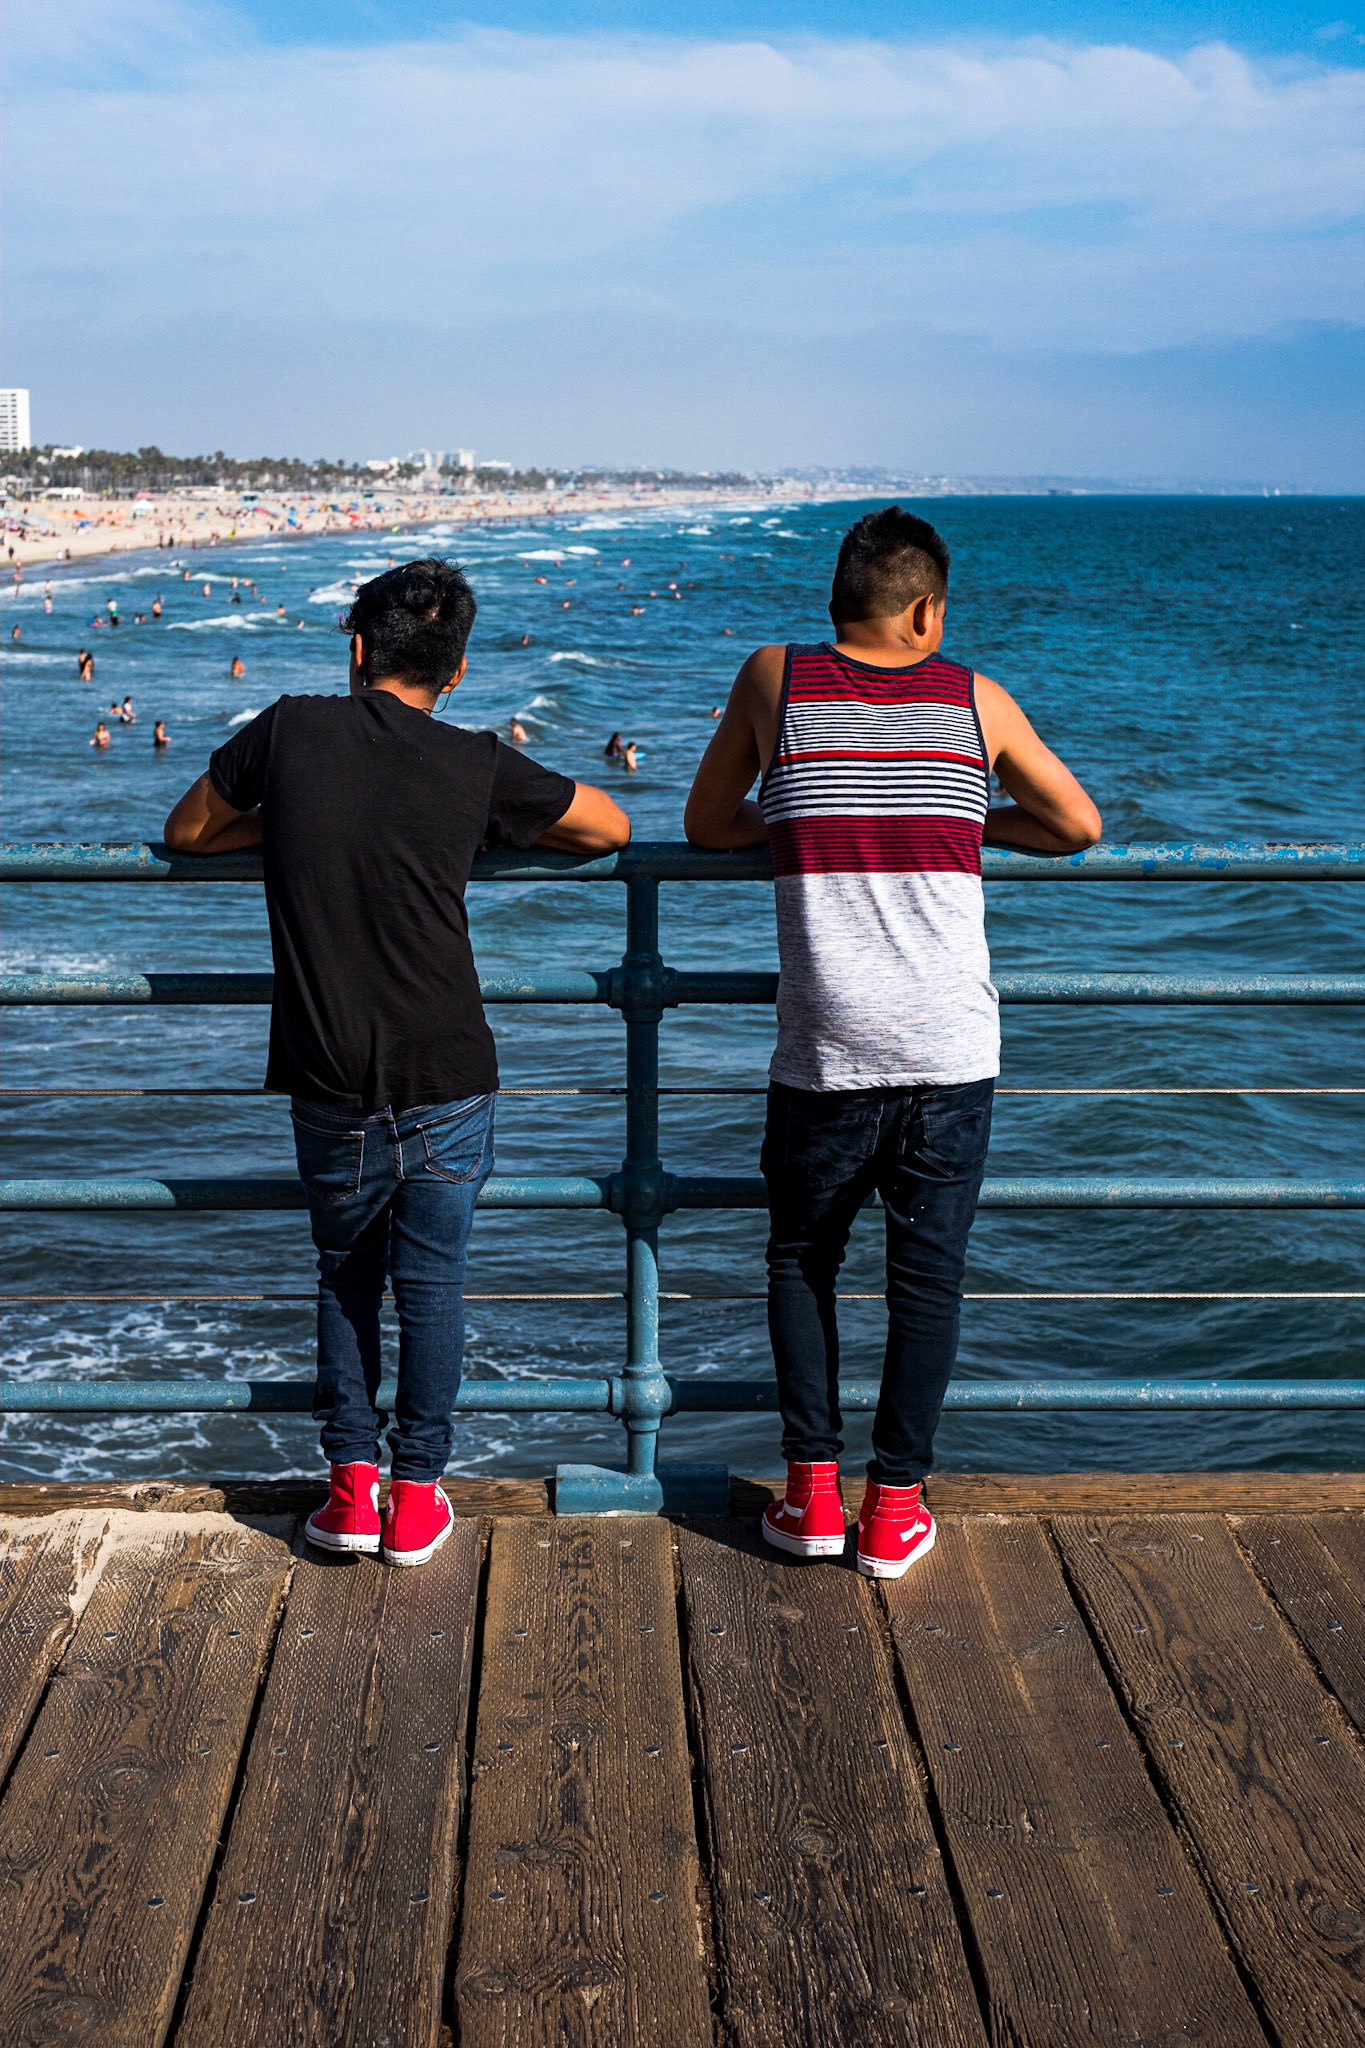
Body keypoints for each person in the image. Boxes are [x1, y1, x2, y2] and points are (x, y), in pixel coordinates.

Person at [163, 558, 630, 1567]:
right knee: (435, 1285)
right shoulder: (474, 761)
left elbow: (189, 828)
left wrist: (288, 824)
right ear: (457, 672)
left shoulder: (287, 730)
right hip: (449, 1069)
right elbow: (611, 825)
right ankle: (417, 1496)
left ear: (358, 649)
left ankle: (349, 1487)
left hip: (328, 1070)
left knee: (343, 1275)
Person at [684, 506, 1100, 1580]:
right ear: (928, 610)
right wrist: (969, 815)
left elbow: (705, 822)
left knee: (799, 1259)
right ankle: (897, 1507)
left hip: (826, 1046)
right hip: (951, 1052)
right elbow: (1077, 824)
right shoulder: (977, 700)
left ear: (842, 599)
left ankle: (812, 1496)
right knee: (927, 1282)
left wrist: (802, 815)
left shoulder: (775, 679)